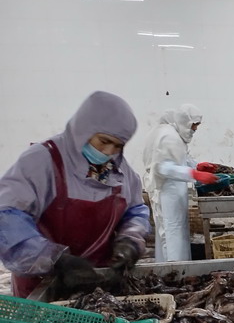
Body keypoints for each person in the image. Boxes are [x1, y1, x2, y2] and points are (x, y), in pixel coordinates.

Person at [0, 91, 151, 297]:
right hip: (44, 281)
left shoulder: (119, 170)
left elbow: (135, 211)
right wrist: (54, 259)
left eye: (117, 146)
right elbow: (6, 217)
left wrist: (130, 240)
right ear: (84, 129)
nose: (108, 151)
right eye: (103, 141)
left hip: (98, 283)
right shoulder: (42, 161)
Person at [142, 104, 216, 262]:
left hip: (175, 190)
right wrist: (194, 174)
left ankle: (173, 268)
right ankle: (175, 271)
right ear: (184, 121)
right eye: (194, 124)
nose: (195, 129)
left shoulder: (175, 135)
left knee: (173, 232)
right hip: (167, 191)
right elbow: (162, 168)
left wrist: (197, 166)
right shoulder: (168, 137)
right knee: (172, 234)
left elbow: (180, 159)